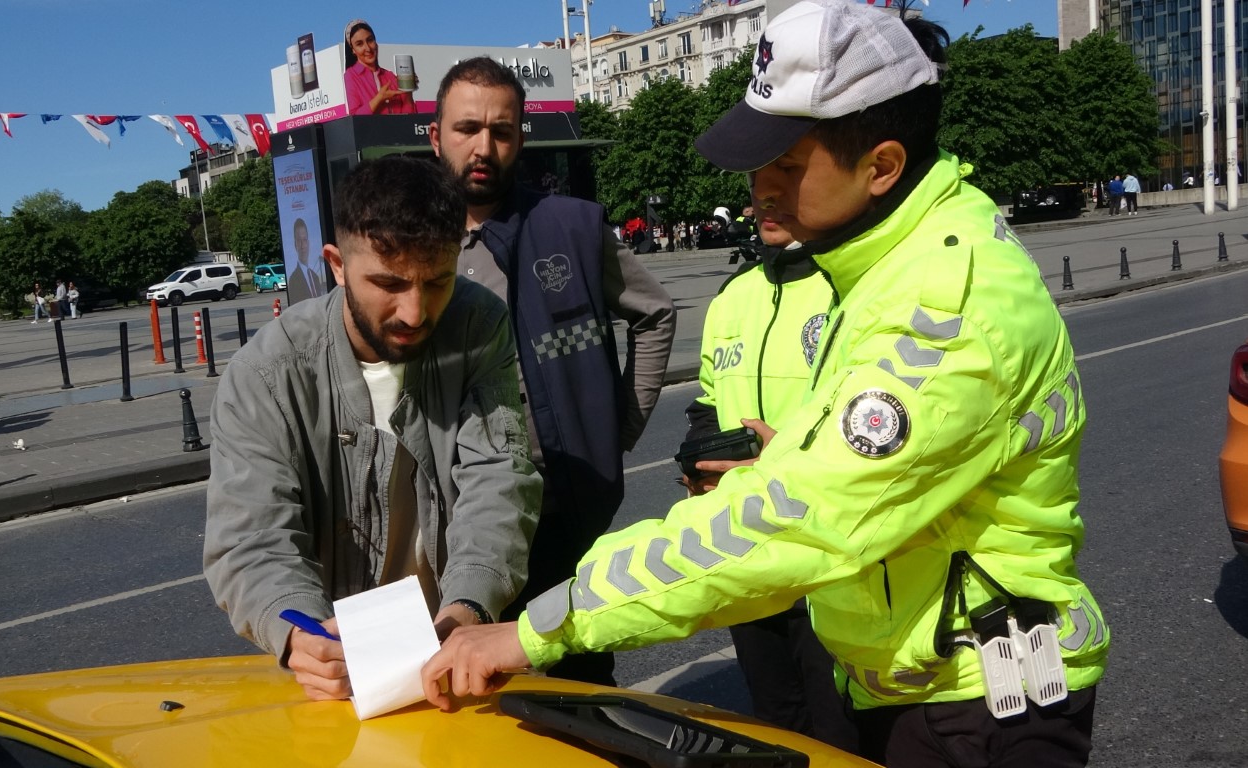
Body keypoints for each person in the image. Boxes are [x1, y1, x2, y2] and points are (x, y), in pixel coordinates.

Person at [423, 4, 1109, 766]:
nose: (760, 188)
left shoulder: (940, 306)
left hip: (978, 705)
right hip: (918, 681)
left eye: (787, 164)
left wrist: (536, 627)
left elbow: (796, 523)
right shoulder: (888, 263)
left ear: (880, 165)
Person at [203, 154, 542, 701]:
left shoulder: (480, 324)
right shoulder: (264, 374)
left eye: (437, 282)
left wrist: (468, 610)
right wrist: (297, 635)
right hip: (328, 682)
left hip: (459, 653)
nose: (414, 311)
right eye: (388, 283)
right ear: (336, 264)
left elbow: (499, 479)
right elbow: (251, 539)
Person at [428, 56, 677, 685]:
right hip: (454, 515)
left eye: (502, 131)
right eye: (466, 129)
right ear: (436, 137)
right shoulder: (411, 241)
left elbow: (655, 315)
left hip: (562, 500)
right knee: (468, 688)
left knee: (576, 678)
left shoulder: (571, 226)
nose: (483, 146)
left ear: (521, 137)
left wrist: (620, 427)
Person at [682, 227, 855, 749]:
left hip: (829, 554)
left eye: (788, 173)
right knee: (778, 727)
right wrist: (701, 458)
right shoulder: (734, 295)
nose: (767, 199)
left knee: (840, 733)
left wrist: (785, 460)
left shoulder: (851, 286)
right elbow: (709, 401)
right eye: (758, 183)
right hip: (750, 548)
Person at [343, 20, 416, 116]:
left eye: (370, 40)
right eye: (359, 44)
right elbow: (355, 118)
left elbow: (410, 119)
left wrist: (408, 92)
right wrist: (380, 98)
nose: (368, 48)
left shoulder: (390, 76)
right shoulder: (351, 75)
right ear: (353, 50)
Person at [287, 218, 327, 302]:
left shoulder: (315, 278)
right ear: (295, 245)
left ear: (308, 243)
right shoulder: (293, 280)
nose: (302, 246)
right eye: (299, 241)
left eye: (304, 240)